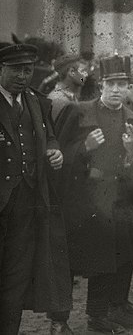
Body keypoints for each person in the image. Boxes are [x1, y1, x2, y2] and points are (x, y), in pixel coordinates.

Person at [58, 54, 133, 333]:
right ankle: (77, 318)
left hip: (119, 196)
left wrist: (132, 152)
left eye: (122, 85)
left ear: (127, 88)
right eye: (111, 84)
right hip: (86, 197)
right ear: (101, 87)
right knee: (95, 258)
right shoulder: (79, 112)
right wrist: (84, 146)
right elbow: (59, 155)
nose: (116, 90)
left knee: (124, 253)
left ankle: (112, 309)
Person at [0, 43, 72, 335]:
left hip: (28, 202)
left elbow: (50, 136)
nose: (22, 76)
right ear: (0, 69)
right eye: (15, 70)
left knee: (16, 276)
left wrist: (55, 150)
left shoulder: (38, 102)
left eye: (27, 70)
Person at [48, 54, 89, 123]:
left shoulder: (68, 96)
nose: (86, 75)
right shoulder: (59, 99)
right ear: (71, 72)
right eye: (83, 71)